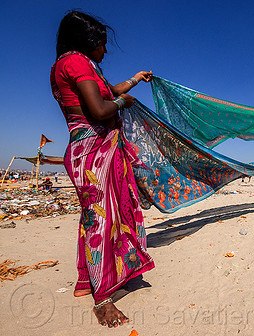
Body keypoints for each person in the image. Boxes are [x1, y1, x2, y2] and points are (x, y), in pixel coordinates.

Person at [50, 10, 155, 328]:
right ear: (88, 42)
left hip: (97, 151)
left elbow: (110, 91)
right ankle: (103, 299)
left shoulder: (80, 65)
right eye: (102, 44)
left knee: (102, 217)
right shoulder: (75, 62)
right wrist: (126, 104)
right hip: (92, 153)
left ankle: (98, 279)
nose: (105, 51)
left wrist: (136, 79)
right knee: (98, 220)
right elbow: (99, 108)